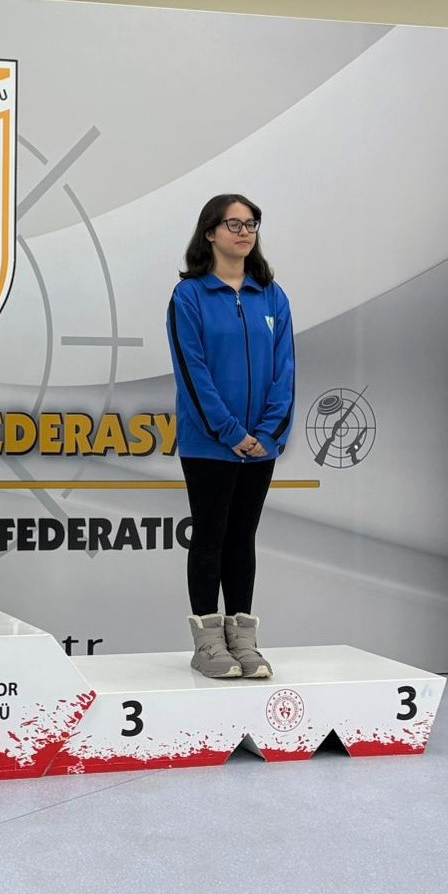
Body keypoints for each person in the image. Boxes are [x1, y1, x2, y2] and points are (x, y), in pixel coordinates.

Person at [167, 194, 295, 679]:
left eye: (251, 223)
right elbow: (192, 373)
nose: (245, 232)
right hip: (209, 444)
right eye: (234, 224)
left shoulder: (272, 296)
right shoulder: (189, 296)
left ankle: (243, 641)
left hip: (260, 446)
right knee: (211, 536)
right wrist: (230, 432)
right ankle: (207, 645)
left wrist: (267, 433)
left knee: (243, 538)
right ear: (210, 233)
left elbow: (285, 370)